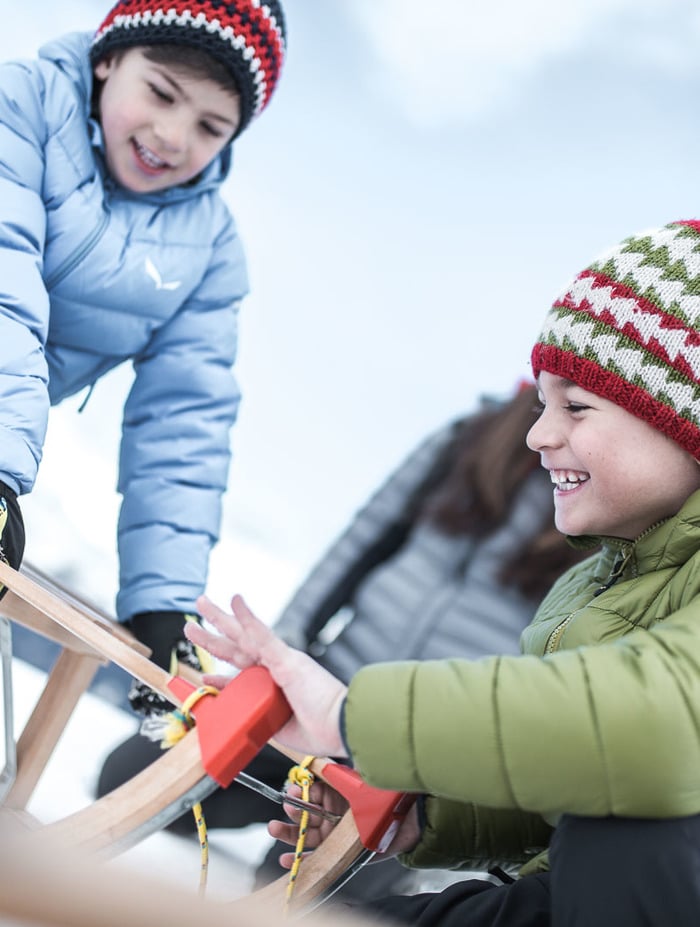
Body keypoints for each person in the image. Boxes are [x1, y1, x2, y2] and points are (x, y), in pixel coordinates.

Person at [186, 218, 700, 926]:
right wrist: (418, 813)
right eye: (541, 403)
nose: (538, 435)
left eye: (576, 407)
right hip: (398, 725)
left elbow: (648, 722)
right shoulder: (597, 573)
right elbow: (574, 781)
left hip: (401, 722)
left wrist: (350, 717)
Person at [97, 382, 587, 899]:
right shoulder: (468, 434)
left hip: (418, 751)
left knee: (301, 894)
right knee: (128, 777)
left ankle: (372, 856)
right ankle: (289, 799)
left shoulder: (600, 503)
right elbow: (364, 540)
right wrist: (285, 649)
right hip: (324, 694)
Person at [0, 2, 286, 701]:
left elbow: (182, 423)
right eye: (160, 93)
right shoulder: (21, 106)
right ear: (108, 57)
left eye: (211, 126)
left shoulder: (208, 250)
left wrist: (165, 600)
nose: (171, 134)